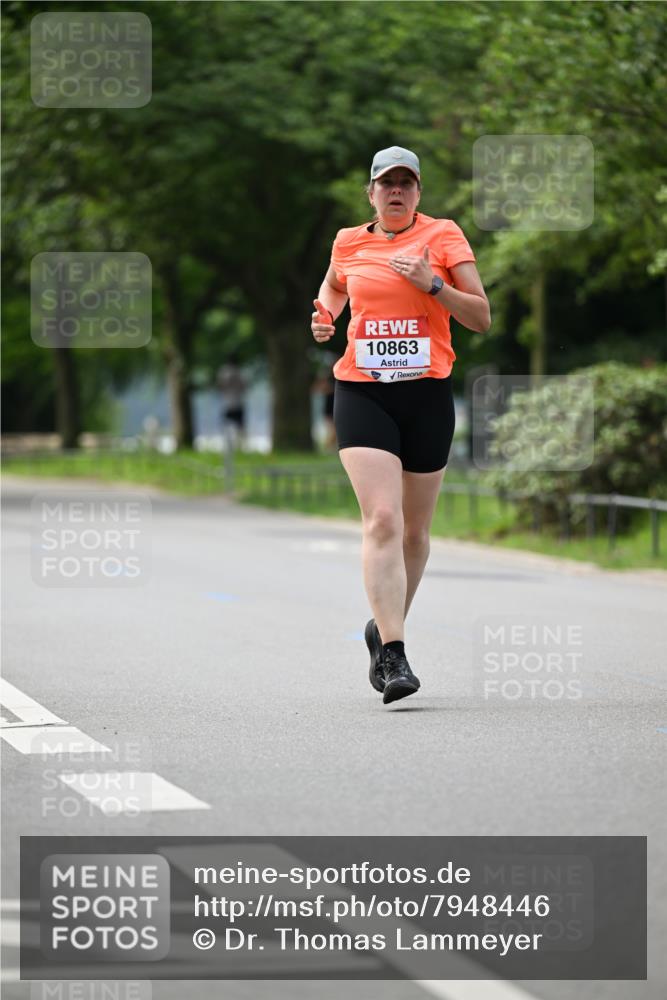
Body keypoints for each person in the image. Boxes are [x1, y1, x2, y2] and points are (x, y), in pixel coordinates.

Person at [310, 145, 490, 705]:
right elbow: (334, 288)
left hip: (427, 394)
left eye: (406, 184)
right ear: (370, 192)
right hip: (363, 390)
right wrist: (325, 317)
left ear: (418, 193)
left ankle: (381, 626)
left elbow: (480, 317)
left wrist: (431, 283)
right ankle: (393, 654)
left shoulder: (444, 236)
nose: (396, 191)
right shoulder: (348, 241)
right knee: (383, 520)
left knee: (414, 532)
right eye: (386, 183)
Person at [216, 354, 247, 451]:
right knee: (240, 428)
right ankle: (240, 447)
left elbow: (220, 387)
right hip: (238, 403)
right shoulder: (240, 372)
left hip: (227, 404)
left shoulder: (223, 372)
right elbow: (244, 387)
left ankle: (229, 448)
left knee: (227, 427)